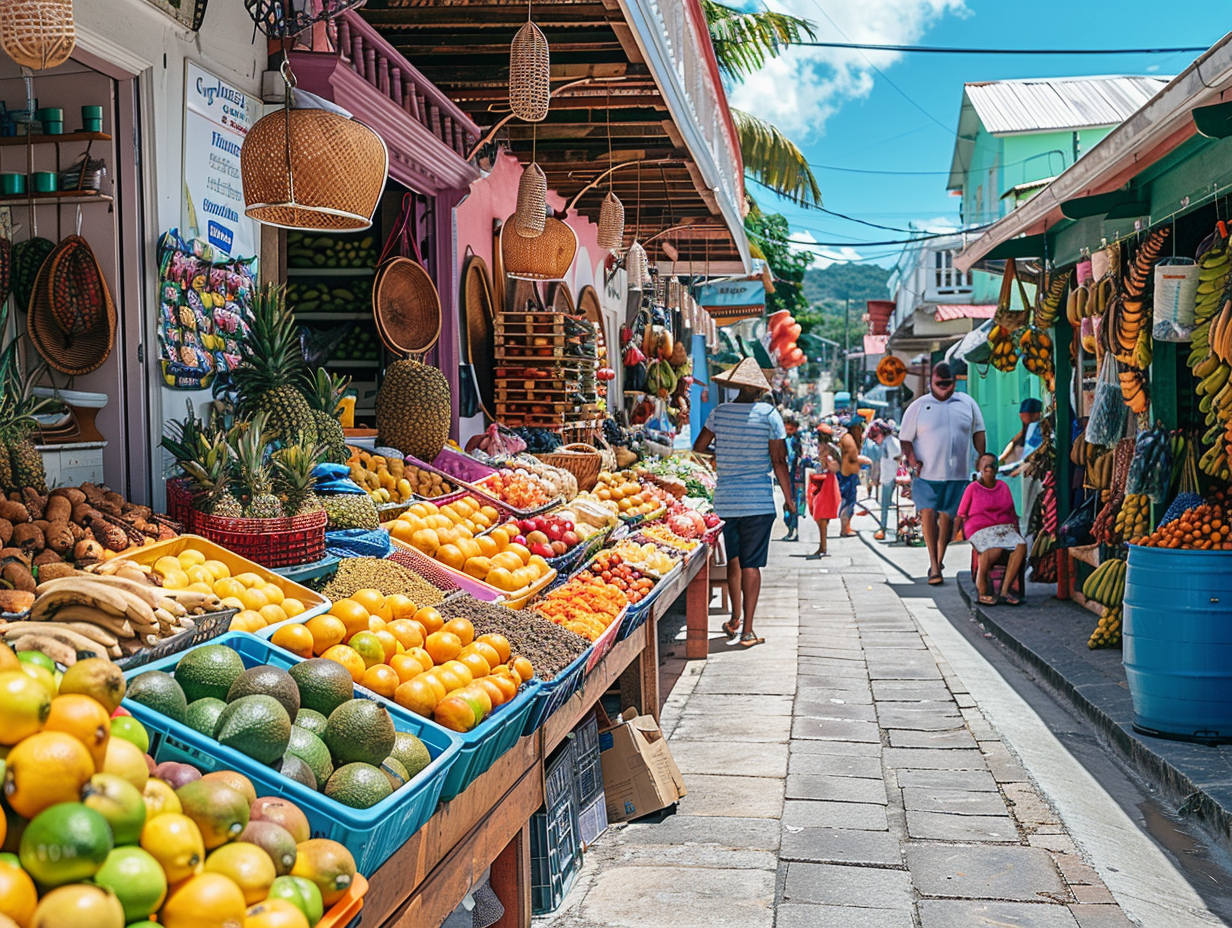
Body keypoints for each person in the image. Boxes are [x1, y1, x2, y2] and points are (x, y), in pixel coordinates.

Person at [693, 358, 793, 648]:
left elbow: (699, 448)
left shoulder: (719, 413)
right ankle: (747, 631)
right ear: (759, 388)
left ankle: (735, 618)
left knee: (734, 559)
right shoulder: (768, 414)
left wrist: (723, 455)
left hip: (726, 500)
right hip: (758, 501)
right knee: (752, 564)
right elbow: (779, 460)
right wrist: (789, 500)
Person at [899, 362, 986, 585]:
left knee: (948, 521)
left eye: (948, 384)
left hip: (958, 474)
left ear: (955, 382)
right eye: (940, 384)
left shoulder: (967, 403)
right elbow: (905, 439)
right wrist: (912, 461)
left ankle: (939, 559)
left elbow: (978, 431)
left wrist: (982, 456)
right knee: (927, 513)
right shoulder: (918, 406)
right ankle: (935, 566)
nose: (944, 389)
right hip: (926, 473)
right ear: (931, 383)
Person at [956, 453, 1028, 606]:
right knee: (994, 551)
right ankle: (982, 591)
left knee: (1020, 546)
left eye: (992, 466)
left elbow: (1011, 513)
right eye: (985, 465)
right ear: (979, 468)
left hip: (1003, 528)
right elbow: (961, 514)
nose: (989, 468)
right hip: (979, 528)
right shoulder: (972, 488)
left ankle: (1004, 590)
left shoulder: (1003, 486)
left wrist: (1017, 533)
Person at [807, 425, 841, 558]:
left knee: (820, 514)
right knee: (821, 515)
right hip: (828, 481)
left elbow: (834, 466)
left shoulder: (827, 449)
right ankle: (822, 545)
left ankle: (823, 546)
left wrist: (826, 462)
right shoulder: (831, 448)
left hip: (826, 482)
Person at [837, 417, 870, 538]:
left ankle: (846, 527)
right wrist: (865, 461)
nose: (861, 431)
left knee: (849, 501)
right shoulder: (849, 440)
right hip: (847, 477)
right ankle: (845, 529)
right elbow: (852, 458)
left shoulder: (847, 438)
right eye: (859, 428)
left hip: (848, 476)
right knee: (848, 502)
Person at [870, 421, 903, 541]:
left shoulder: (892, 442)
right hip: (886, 476)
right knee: (885, 503)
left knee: (885, 504)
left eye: (875, 437)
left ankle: (884, 527)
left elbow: (899, 457)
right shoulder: (887, 442)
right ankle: (885, 526)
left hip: (891, 477)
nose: (874, 440)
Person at [999, 398, 1044, 472]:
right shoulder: (1026, 430)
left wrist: (1020, 468)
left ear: (1037, 414)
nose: (1022, 417)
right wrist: (1001, 458)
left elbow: (1034, 453)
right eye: (1022, 415)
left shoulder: (1039, 428)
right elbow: (1014, 442)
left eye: (1025, 415)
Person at [782, 415, 807, 542]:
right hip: (787, 476)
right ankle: (790, 529)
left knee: (796, 504)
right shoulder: (782, 439)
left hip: (797, 476)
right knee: (788, 504)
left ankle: (795, 531)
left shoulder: (799, 439)